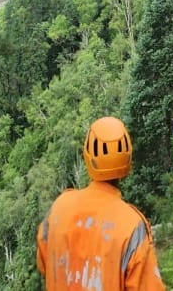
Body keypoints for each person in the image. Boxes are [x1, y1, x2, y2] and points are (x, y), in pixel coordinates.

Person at [37, 116, 165, 290]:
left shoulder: (59, 208)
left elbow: (45, 263)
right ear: (128, 159)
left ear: (87, 156)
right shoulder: (132, 227)